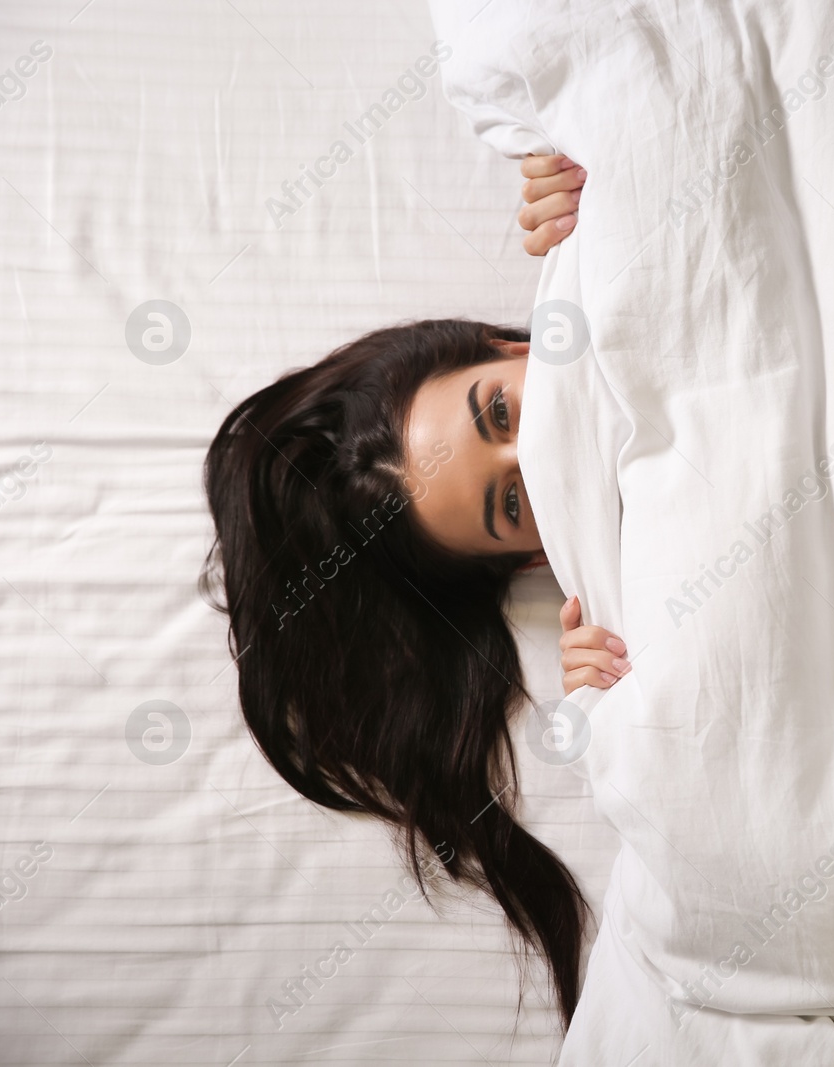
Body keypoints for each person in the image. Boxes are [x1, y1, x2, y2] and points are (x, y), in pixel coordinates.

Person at [201, 155, 610, 1025]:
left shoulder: (607, 263)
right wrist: (627, 697)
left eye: (499, 413)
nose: (530, 453)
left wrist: (597, 184)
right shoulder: (618, 596)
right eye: (511, 502)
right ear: (534, 560)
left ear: (515, 348)